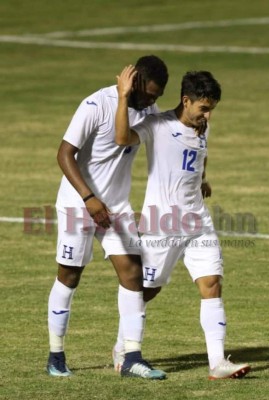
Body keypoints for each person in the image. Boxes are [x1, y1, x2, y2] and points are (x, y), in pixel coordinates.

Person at [114, 66, 251, 380]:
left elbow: (198, 155)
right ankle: (123, 347)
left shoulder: (203, 125)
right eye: (203, 108)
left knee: (212, 283)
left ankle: (217, 363)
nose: (207, 115)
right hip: (163, 223)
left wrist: (202, 179)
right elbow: (122, 137)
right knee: (147, 290)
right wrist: (123, 97)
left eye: (211, 109)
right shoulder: (157, 125)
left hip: (198, 220)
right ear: (185, 100)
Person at [47, 56, 169, 380]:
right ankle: (55, 355)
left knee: (132, 273)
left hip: (116, 207)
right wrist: (89, 199)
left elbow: (125, 138)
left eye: (157, 97)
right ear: (136, 82)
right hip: (79, 204)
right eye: (149, 94)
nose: (152, 102)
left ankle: (131, 357)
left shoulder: (148, 113)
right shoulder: (95, 104)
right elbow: (63, 154)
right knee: (70, 276)